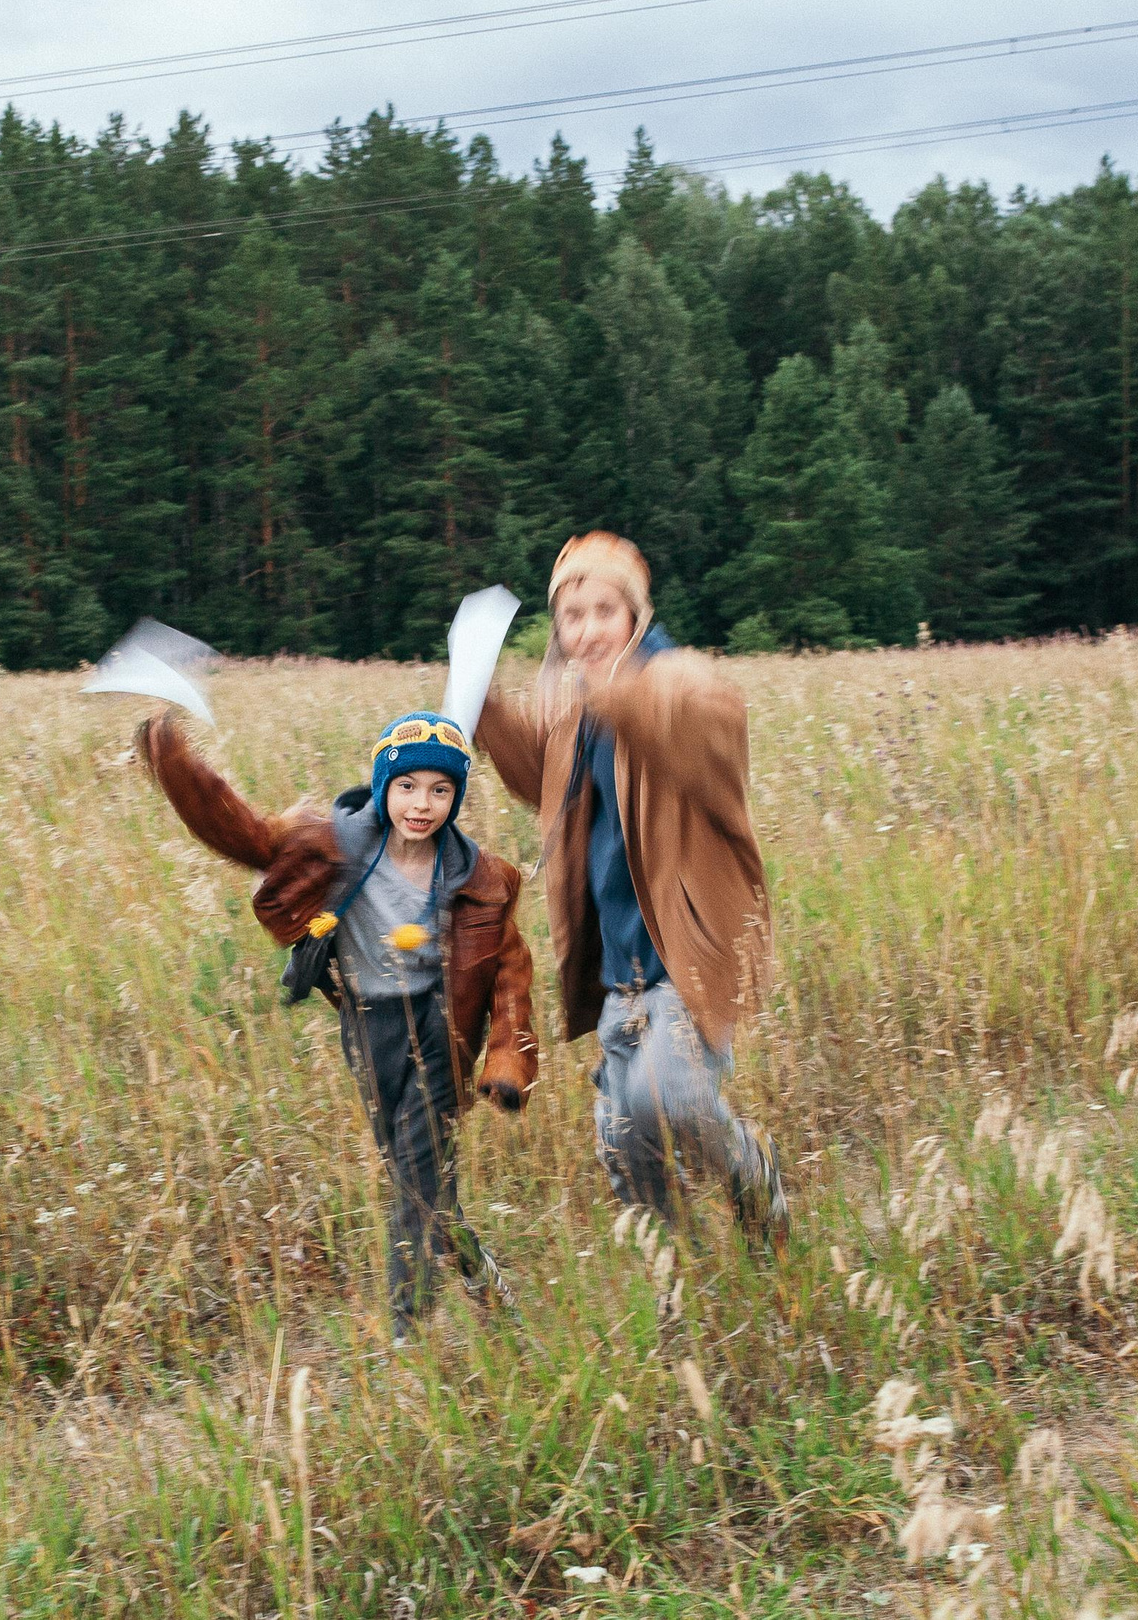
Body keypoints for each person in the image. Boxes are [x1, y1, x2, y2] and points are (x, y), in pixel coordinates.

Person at [137, 708, 540, 1341]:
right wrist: (174, 763)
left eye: (441, 790)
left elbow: (512, 972)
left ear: (456, 797)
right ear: (384, 787)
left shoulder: (479, 879)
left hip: (439, 1031)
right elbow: (241, 832)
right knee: (419, 1181)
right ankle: (480, 1273)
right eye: (407, 786)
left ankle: (406, 1336)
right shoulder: (335, 846)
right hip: (368, 1027)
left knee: (414, 1178)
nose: (422, 804)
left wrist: (506, 1061)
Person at [478, 532, 789, 1251]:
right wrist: (483, 706)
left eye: (604, 611)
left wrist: (603, 694)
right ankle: (686, 1277)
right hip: (621, 975)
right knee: (624, 1145)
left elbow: (684, 719)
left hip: (688, 955)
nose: (586, 631)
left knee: (670, 1095)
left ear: (637, 616)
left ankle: (754, 1183)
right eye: (572, 616)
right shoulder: (580, 709)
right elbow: (547, 781)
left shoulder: (681, 682)